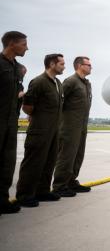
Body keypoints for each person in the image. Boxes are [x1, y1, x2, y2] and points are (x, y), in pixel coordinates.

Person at [16, 54, 65, 207]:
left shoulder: (58, 83)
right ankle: (25, 195)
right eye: (61, 63)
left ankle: (42, 191)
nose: (64, 66)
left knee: (49, 162)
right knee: (33, 163)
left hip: (54, 130)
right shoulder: (39, 82)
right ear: (51, 64)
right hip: (40, 130)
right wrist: (39, 119)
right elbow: (27, 106)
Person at [52, 56, 92, 197]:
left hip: (82, 126)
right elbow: (59, 101)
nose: (90, 67)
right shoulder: (70, 82)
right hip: (69, 127)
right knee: (66, 156)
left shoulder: (86, 83)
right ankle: (59, 185)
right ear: (80, 66)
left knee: (78, 155)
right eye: (88, 65)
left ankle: (71, 181)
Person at [0, 31, 28, 215]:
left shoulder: (18, 68)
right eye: (24, 44)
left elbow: (16, 92)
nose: (27, 47)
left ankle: (2, 200)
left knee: (7, 162)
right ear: (11, 43)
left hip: (11, 121)